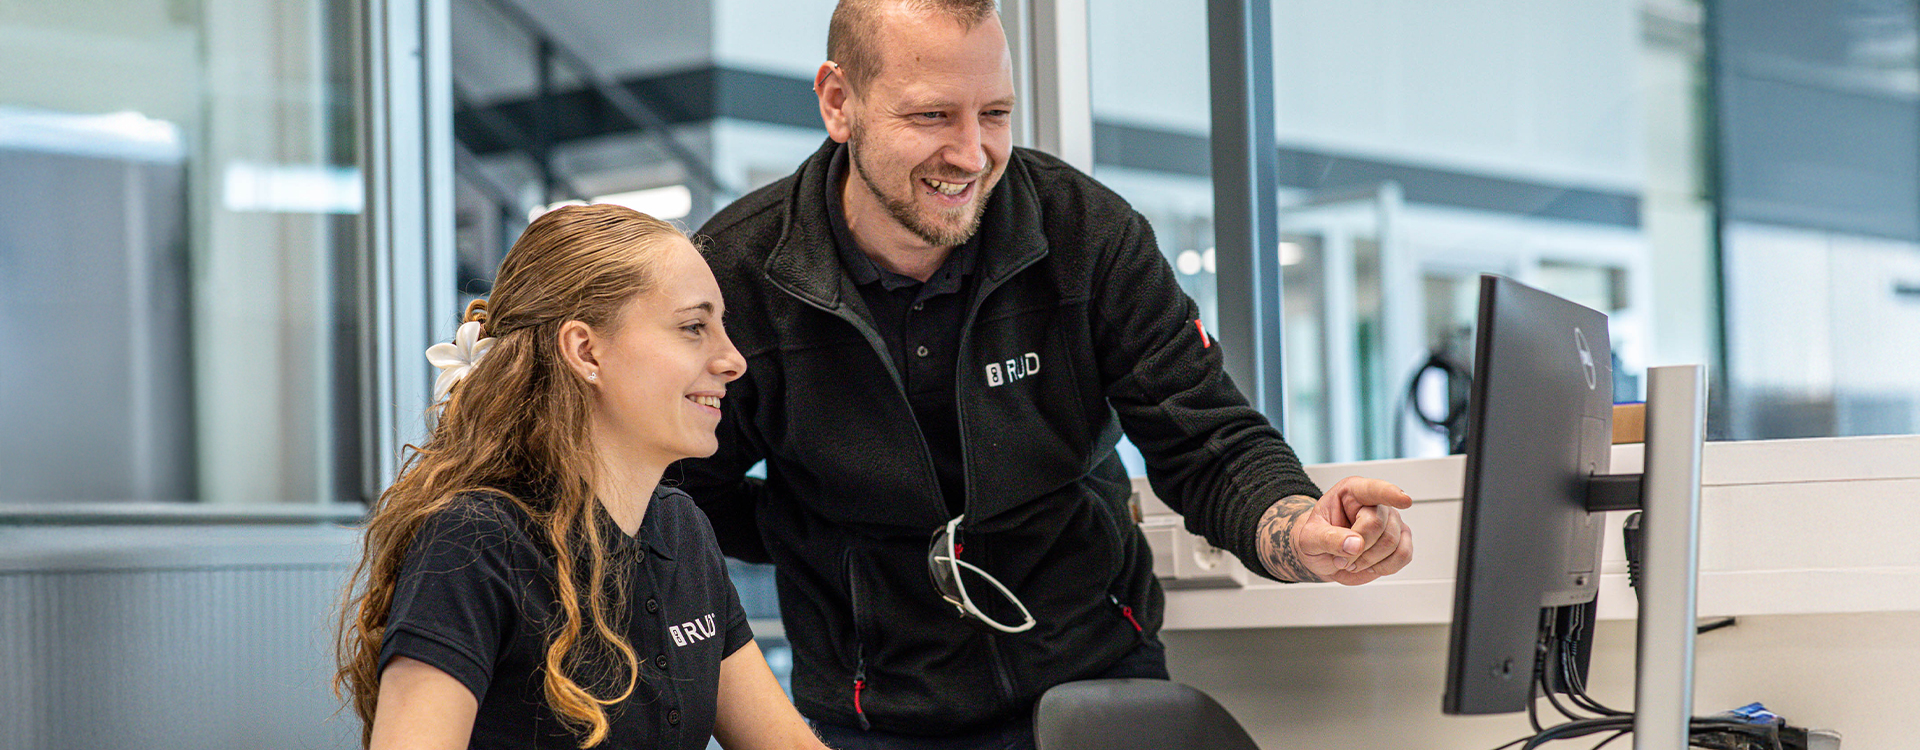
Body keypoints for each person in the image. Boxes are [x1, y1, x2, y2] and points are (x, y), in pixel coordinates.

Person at [682, 1, 1415, 747]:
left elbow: (1207, 440)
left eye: (995, 113)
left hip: (1098, 679)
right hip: (883, 714)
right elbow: (683, 495)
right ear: (839, 102)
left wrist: (1298, 528)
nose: (972, 154)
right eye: (934, 115)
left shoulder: (1084, 233)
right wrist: (808, 530)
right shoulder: (737, 279)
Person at [335, 205, 829, 750]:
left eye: (723, 328)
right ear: (585, 350)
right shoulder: (474, 541)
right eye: (694, 328)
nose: (734, 360)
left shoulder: (681, 528)